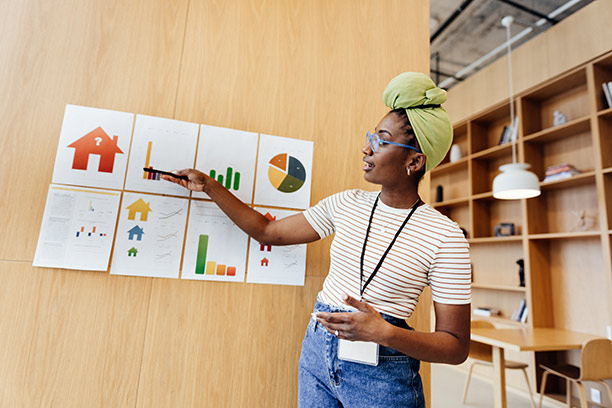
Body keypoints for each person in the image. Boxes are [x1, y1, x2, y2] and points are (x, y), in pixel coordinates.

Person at [163, 72, 471, 407]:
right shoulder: (346, 203)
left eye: (381, 141)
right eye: (371, 136)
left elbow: (455, 347)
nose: (366, 147)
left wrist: (385, 333)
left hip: (382, 375)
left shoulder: (445, 237)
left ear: (414, 161)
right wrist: (208, 185)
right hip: (317, 357)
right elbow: (268, 232)